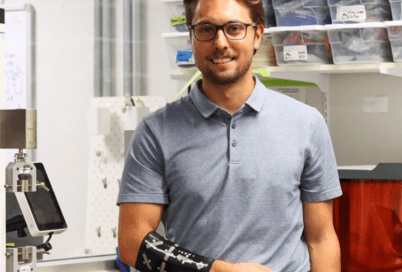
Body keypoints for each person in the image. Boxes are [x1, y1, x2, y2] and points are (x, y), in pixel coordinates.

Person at [116, 0, 342, 271]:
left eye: (235, 28)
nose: (220, 42)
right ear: (191, 36)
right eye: (206, 29)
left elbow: (321, 238)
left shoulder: (307, 123)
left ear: (258, 35)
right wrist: (221, 270)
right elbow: (132, 241)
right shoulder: (156, 132)